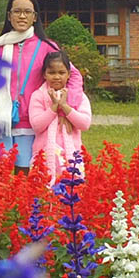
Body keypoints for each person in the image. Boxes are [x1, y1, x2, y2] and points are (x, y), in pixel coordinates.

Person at [0, 0, 83, 173]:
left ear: (35, 17)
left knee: (23, 174)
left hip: (31, 124)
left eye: (27, 12)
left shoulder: (47, 47)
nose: (22, 16)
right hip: (0, 121)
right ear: (9, 16)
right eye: (17, 11)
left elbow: (74, 76)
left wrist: (67, 107)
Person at [29, 50, 92, 186]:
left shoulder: (78, 97)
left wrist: (65, 106)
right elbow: (37, 126)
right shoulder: (38, 96)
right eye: (52, 73)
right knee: (43, 191)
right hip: (45, 155)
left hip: (71, 155)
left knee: (71, 191)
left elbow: (85, 124)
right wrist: (54, 107)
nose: (57, 77)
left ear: (69, 74)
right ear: (44, 74)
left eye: (61, 72)